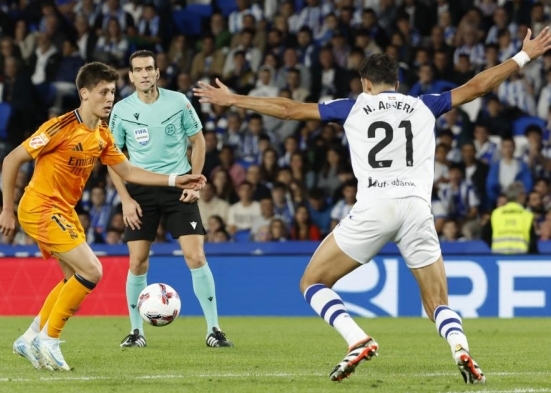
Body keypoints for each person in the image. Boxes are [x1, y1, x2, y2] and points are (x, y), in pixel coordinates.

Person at [194, 27, 551, 384]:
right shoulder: (424, 104)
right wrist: (524, 56)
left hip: (375, 207)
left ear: (365, 83)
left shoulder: (351, 108)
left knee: (313, 282)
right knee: (437, 301)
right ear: (396, 82)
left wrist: (235, 99)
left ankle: (357, 339)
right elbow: (478, 86)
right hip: (416, 208)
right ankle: (460, 347)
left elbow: (288, 110)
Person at [0, 62, 206, 372]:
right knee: (92, 270)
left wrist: (177, 179)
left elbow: (129, 171)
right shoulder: (60, 127)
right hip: (39, 207)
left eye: (112, 92)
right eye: (103, 92)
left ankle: (29, 338)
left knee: (74, 279)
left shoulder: (103, 135)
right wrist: (6, 209)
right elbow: (11, 159)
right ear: (84, 93)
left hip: (63, 212)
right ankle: (48, 339)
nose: (110, 98)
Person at [108, 50, 233, 349]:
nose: (145, 74)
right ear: (131, 76)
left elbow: (198, 140)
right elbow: (112, 158)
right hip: (140, 190)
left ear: (158, 72)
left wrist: (197, 180)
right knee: (137, 262)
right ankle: (136, 331)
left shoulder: (178, 101)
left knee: (196, 256)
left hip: (179, 186)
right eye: (138, 70)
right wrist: (125, 198)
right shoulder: (121, 110)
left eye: (149, 68)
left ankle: (214, 329)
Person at [482, 181, 538, 254]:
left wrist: (494, 246)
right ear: (520, 195)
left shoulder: (496, 214)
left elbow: (485, 235)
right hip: (521, 258)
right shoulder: (527, 215)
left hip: (498, 256)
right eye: (524, 194)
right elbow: (533, 242)